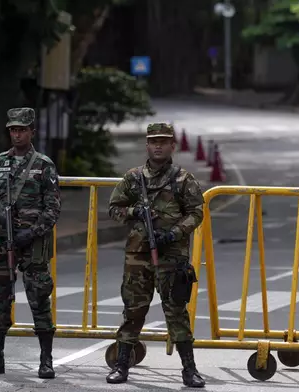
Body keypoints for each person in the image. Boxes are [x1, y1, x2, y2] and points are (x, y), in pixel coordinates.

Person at [106, 122, 206, 387]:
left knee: (176, 312)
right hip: (138, 255)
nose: (158, 145)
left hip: (171, 255)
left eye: (163, 141)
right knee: (133, 310)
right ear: (147, 145)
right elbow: (114, 208)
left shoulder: (183, 179)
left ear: (173, 145)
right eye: (153, 141)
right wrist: (134, 212)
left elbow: (196, 213)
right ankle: (122, 365)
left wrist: (173, 233)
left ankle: (189, 370)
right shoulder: (134, 178)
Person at [0, 107, 61, 379]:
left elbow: (53, 207)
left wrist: (33, 232)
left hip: (33, 242)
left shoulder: (43, 164)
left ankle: (46, 359)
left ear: (31, 132)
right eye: (13, 129)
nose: (17, 134)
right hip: (2, 239)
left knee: (39, 298)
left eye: (22, 129)